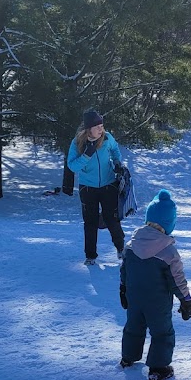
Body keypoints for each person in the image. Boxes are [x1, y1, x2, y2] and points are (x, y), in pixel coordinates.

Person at [119, 190, 191, 380]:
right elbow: (177, 279)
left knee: (134, 327)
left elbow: (124, 270)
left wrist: (123, 289)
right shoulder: (168, 251)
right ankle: (158, 368)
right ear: (169, 223)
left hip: (135, 298)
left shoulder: (131, 245)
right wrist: (185, 299)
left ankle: (128, 357)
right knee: (162, 333)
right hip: (158, 303)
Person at [67, 108, 125, 265]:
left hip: (108, 184)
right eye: (97, 126)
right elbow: (72, 166)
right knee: (90, 222)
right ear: (88, 129)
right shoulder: (77, 143)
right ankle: (90, 256)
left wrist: (117, 162)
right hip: (88, 188)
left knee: (112, 219)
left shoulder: (107, 138)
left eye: (102, 125)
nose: (101, 129)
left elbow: (115, 150)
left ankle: (121, 249)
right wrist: (86, 155)